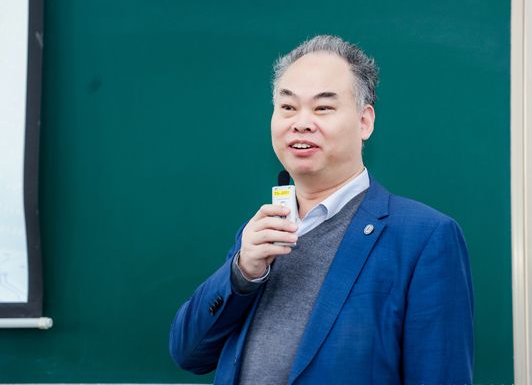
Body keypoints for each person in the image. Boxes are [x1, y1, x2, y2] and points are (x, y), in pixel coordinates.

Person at [169, 34, 474, 384]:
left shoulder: (425, 237)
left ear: (364, 122)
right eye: (288, 107)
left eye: (323, 108)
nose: (301, 123)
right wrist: (242, 273)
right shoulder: (261, 232)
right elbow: (188, 354)